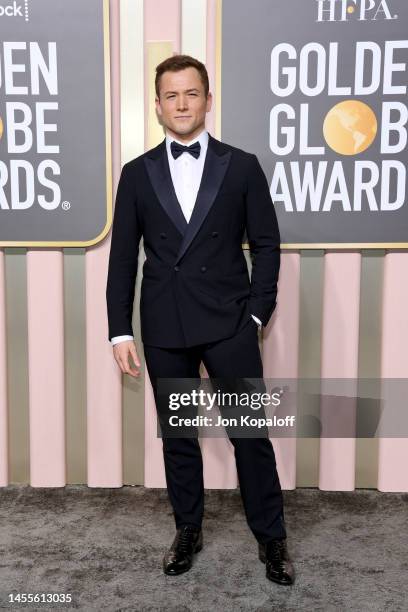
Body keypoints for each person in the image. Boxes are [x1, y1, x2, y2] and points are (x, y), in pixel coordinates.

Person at [106, 54, 295, 585]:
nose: (182, 104)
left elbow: (266, 243)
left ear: (208, 100)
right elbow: (123, 258)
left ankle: (273, 538)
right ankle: (187, 528)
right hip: (165, 326)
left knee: (250, 435)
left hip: (231, 321)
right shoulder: (136, 173)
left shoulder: (241, 165)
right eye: (171, 95)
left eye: (192, 94)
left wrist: (258, 312)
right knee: (179, 437)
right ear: (158, 105)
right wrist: (119, 329)